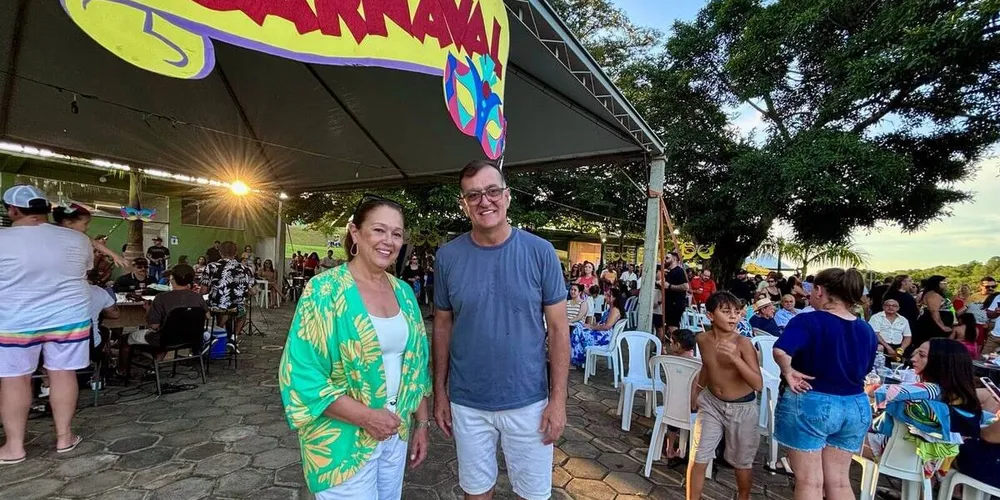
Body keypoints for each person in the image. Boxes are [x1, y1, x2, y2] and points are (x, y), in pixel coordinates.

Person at [278, 197, 431, 497]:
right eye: (379, 230)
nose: (389, 241)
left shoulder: (404, 292)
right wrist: (367, 418)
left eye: (397, 233)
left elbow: (416, 366)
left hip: (395, 431)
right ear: (355, 233)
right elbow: (301, 374)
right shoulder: (324, 291)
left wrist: (422, 424)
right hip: (342, 438)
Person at [433, 160, 568, 500]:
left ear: (508, 197)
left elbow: (558, 329)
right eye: (473, 194)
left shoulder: (541, 252)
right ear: (464, 204)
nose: (484, 200)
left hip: (529, 402)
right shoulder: (447, 257)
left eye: (493, 191)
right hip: (468, 402)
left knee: (533, 494)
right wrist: (439, 391)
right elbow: (442, 326)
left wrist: (559, 399)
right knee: (476, 492)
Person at [0, 185, 93, 463]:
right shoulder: (77, 239)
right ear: (46, 210)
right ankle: (64, 437)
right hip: (68, 317)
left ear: (12, 210)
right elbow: (84, 270)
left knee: (16, 378)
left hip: (15, 319)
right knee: (63, 374)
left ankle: (14, 447)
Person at [772, 268, 878, 500]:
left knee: (810, 481)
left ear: (819, 290)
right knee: (839, 482)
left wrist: (788, 371)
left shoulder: (808, 320)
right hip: (855, 406)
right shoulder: (866, 328)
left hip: (813, 402)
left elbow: (781, 349)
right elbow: (867, 368)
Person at [687, 291, 763, 500]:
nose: (733, 317)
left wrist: (735, 359)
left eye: (737, 312)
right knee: (699, 455)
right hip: (711, 403)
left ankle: (743, 496)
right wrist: (698, 390)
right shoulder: (702, 339)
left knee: (741, 462)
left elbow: (757, 383)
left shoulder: (743, 344)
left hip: (742, 408)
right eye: (726, 311)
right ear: (710, 315)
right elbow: (707, 366)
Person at [863, 339, 987, 467]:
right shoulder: (961, 398)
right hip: (926, 460)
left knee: (843, 436)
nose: (913, 359)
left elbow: (882, 392)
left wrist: (868, 387)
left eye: (921, 355)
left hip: (893, 451)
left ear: (941, 362)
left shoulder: (929, 389)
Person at [117, 264, 209, 376]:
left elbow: (154, 326)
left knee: (125, 339)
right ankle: (153, 367)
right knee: (168, 332)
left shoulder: (161, 298)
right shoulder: (197, 297)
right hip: (191, 338)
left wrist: (148, 310)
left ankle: (122, 371)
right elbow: (207, 315)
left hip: (166, 339)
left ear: (171, 278)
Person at [199, 241, 255, 342]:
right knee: (242, 311)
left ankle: (218, 334)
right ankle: (234, 337)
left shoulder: (211, 267)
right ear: (236, 253)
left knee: (221, 306)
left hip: (215, 306)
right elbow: (253, 291)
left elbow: (203, 291)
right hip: (236, 307)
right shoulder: (246, 269)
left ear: (220, 252)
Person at [661, 328, 698, 462]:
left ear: (677, 346)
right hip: (691, 407)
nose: (669, 345)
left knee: (675, 409)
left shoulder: (670, 362)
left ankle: (669, 448)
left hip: (672, 406)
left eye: (671, 342)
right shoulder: (697, 364)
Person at [569, 288, 623, 367]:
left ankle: (577, 360)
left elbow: (607, 327)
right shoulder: (611, 308)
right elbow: (603, 324)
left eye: (608, 296)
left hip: (604, 337)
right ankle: (578, 359)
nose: (605, 297)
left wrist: (591, 327)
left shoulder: (615, 310)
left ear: (614, 298)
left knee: (577, 332)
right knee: (578, 327)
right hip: (602, 333)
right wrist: (592, 326)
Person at [908, 275, 954, 358]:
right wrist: (942, 326)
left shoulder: (935, 294)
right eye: (944, 282)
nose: (946, 284)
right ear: (937, 284)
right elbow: (934, 311)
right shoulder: (933, 295)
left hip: (935, 324)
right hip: (933, 326)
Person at [663, 251, 689, 336]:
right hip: (669, 303)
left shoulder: (679, 271)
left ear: (674, 259)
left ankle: (678, 345)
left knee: (673, 327)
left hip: (676, 304)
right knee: (670, 326)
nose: (665, 260)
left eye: (667, 258)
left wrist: (669, 286)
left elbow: (686, 286)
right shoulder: (669, 272)